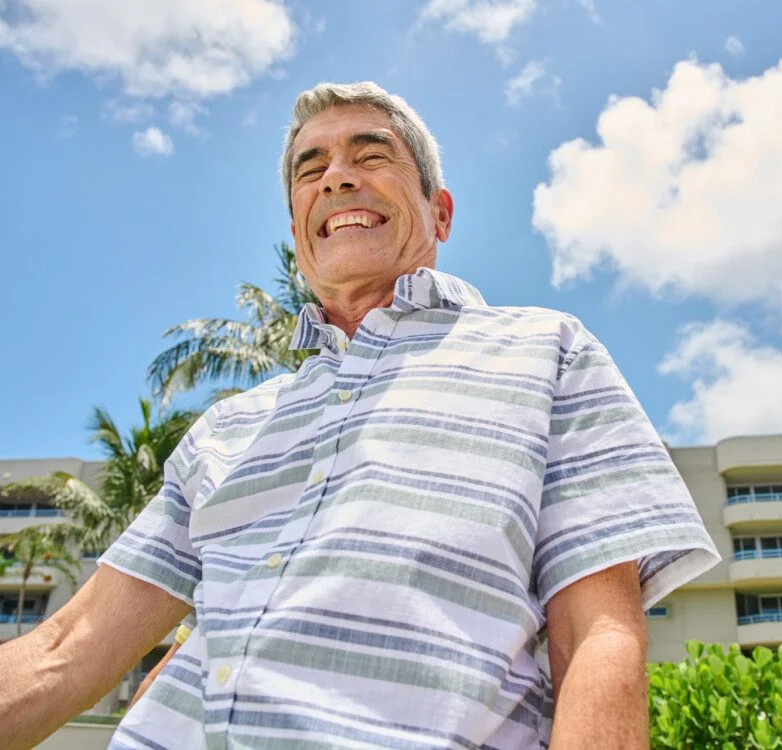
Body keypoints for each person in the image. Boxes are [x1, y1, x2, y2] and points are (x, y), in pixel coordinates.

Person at [0, 82, 719, 749]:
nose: (336, 177)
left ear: (438, 211)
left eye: (369, 156)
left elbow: (599, 633)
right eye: (310, 169)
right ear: (298, 231)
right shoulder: (227, 430)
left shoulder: (545, 354)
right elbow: (65, 649)